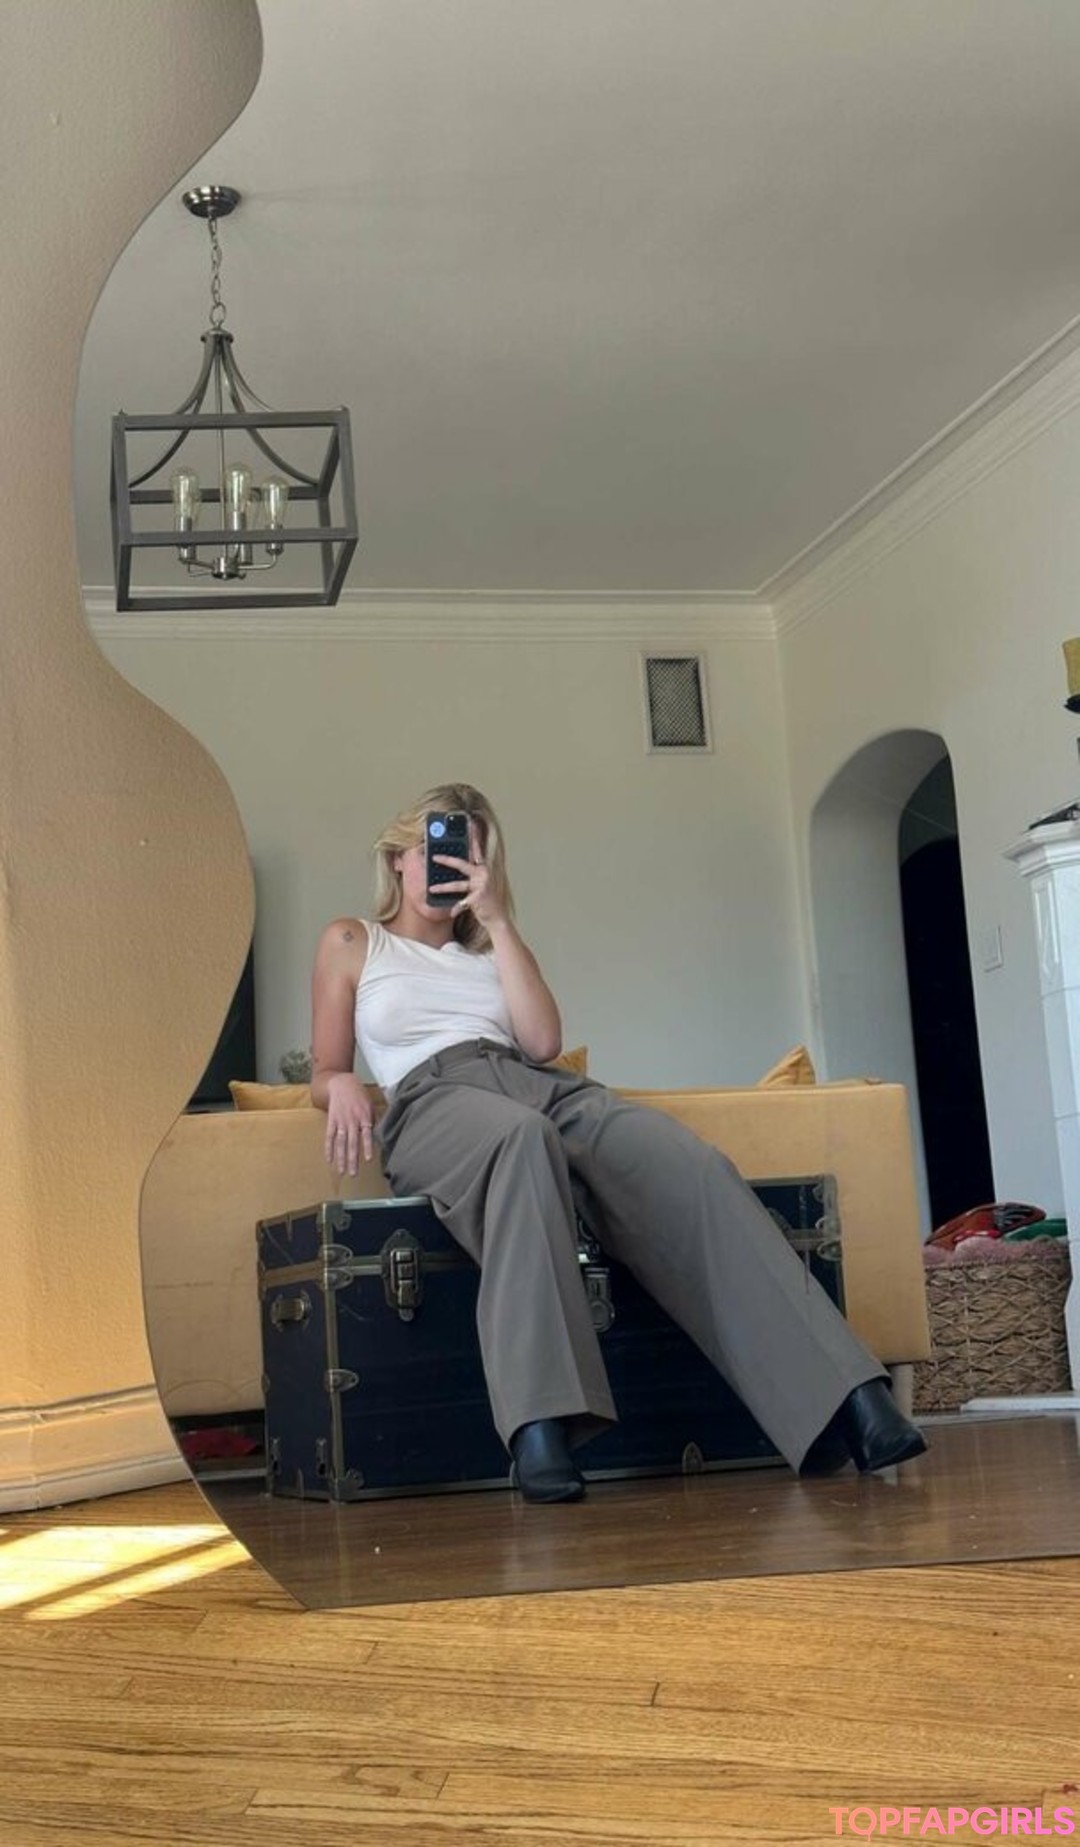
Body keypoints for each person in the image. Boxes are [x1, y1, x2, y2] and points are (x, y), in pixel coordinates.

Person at [311, 781, 927, 1503]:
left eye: (466, 854)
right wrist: (340, 1083)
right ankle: (539, 1426)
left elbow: (543, 1042)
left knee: (690, 1166)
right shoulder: (354, 940)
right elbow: (324, 1068)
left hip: (532, 1082)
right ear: (397, 856)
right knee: (521, 1141)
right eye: (432, 849)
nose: (446, 866)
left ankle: (850, 1397)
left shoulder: (490, 949)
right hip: (432, 1101)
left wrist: (498, 920)